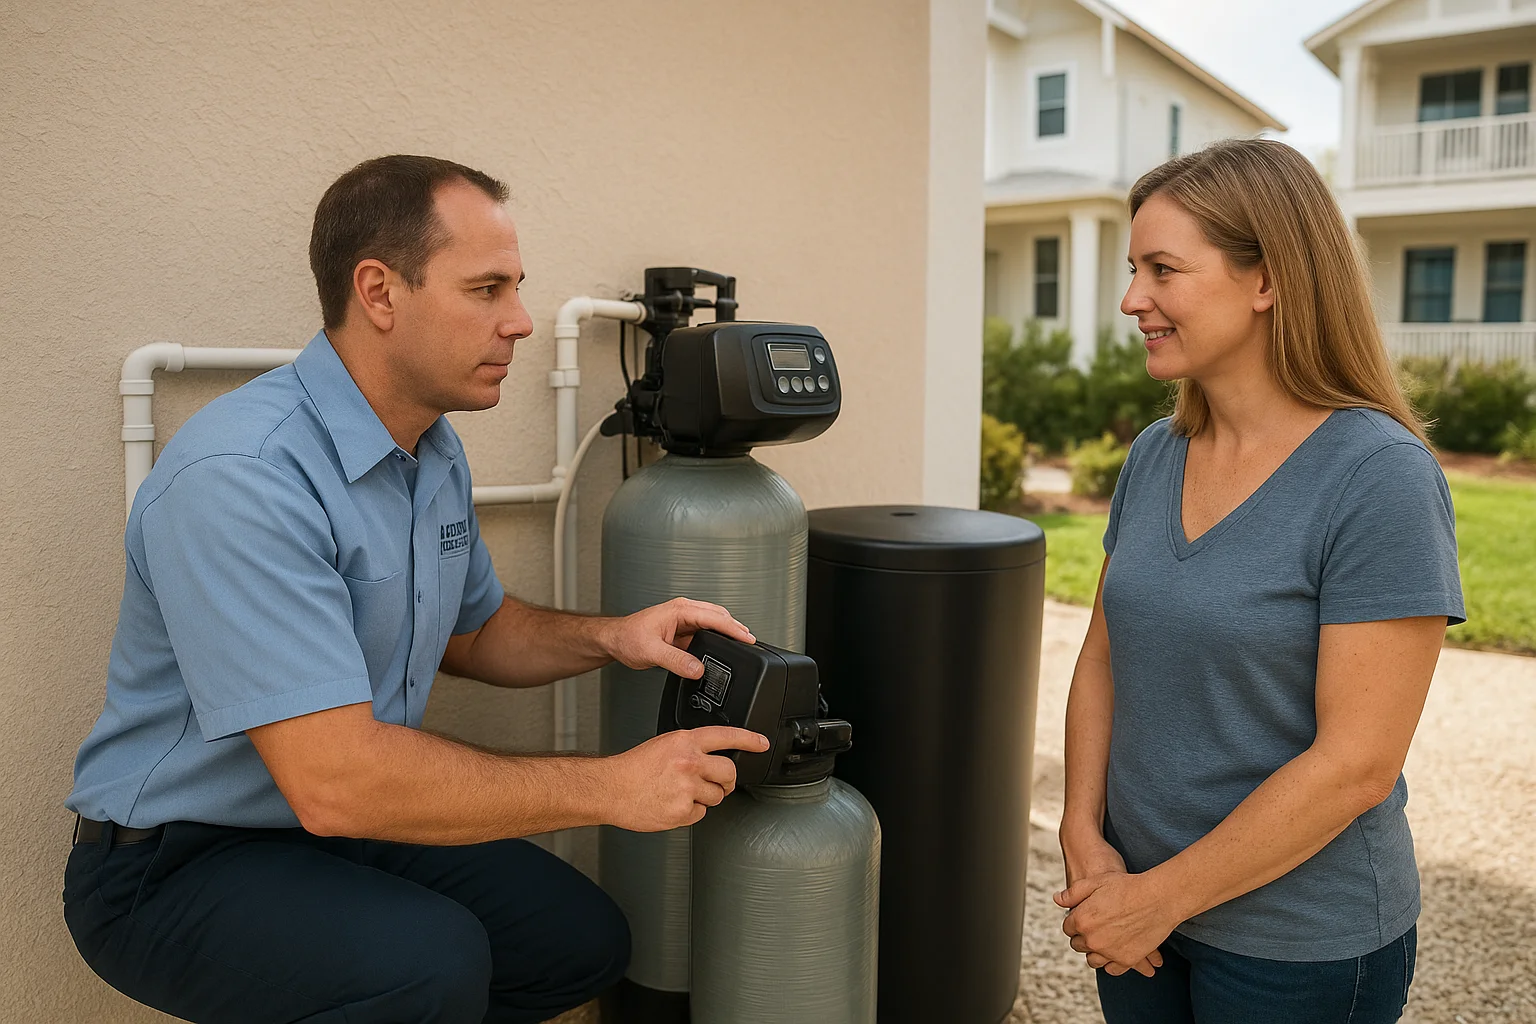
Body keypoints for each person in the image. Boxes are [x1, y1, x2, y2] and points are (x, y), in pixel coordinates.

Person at [62, 154, 770, 1024]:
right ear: (380, 293)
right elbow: (337, 782)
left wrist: (614, 637)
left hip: (339, 824)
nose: (520, 322)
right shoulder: (243, 476)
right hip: (175, 863)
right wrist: (611, 787)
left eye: (517, 289)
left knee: (578, 941)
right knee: (428, 964)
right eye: (486, 289)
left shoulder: (430, 449)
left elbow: (477, 631)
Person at [1054, 138, 1464, 1023]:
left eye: (1163, 269)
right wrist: (1083, 834)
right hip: (1136, 912)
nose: (1132, 300)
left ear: (1267, 279)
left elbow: (1356, 765)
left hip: (1298, 947)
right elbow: (1104, 660)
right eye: (1133, 270)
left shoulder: (1379, 477)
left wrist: (1160, 896)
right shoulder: (1154, 456)